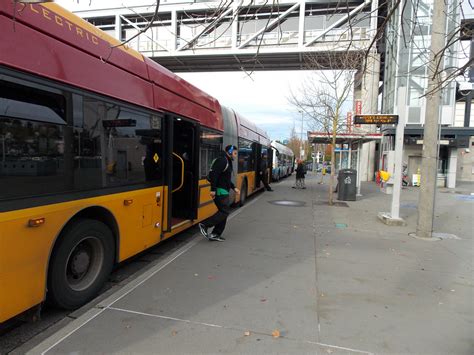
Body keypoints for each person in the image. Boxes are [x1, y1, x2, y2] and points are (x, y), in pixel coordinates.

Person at [199, 145, 240, 242]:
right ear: (229, 152)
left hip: (224, 190)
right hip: (219, 191)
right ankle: (204, 224)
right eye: (234, 153)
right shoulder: (222, 160)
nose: (235, 155)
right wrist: (213, 189)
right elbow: (214, 175)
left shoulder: (226, 161)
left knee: (224, 212)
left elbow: (225, 179)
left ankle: (215, 234)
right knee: (225, 211)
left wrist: (233, 187)